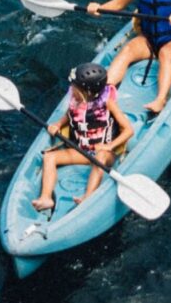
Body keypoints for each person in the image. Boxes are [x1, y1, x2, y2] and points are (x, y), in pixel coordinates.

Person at [29, 61, 133, 215]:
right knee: (49, 157)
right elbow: (70, 114)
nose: (71, 89)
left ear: (88, 92)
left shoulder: (107, 103)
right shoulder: (76, 99)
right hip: (81, 150)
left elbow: (128, 130)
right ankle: (46, 198)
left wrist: (109, 146)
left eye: (75, 87)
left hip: (104, 153)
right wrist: (58, 124)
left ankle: (88, 197)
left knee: (100, 157)